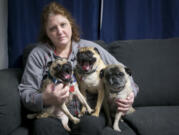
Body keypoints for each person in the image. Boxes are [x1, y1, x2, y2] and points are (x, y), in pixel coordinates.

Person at [18, 1, 139, 135]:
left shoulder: (90, 48)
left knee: (90, 127)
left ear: (71, 24)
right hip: (53, 112)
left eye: (63, 24)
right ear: (46, 33)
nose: (60, 31)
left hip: (88, 111)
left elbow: (123, 69)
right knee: (44, 129)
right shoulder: (38, 55)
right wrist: (45, 99)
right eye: (52, 28)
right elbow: (25, 91)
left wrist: (130, 94)